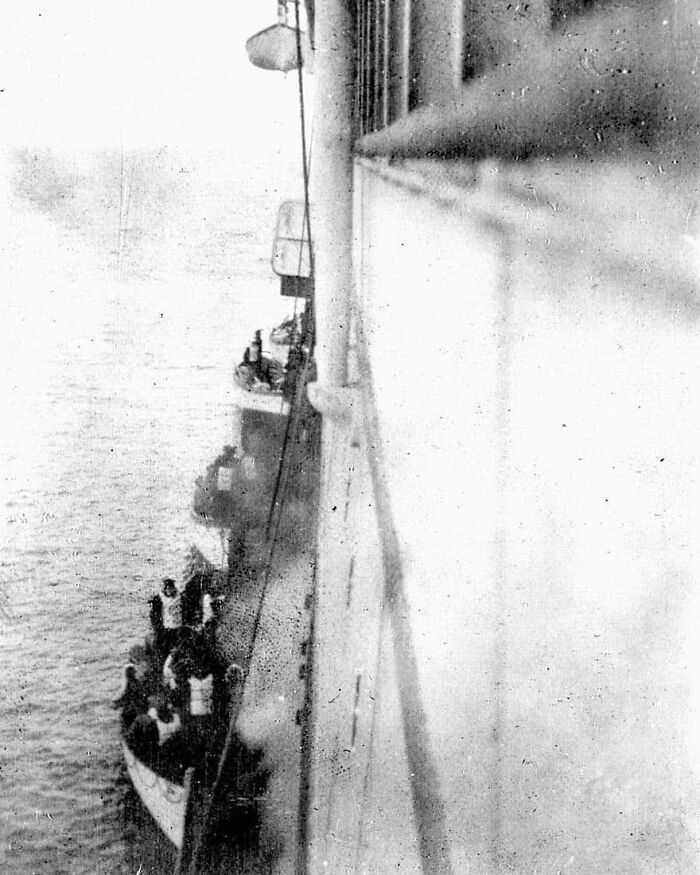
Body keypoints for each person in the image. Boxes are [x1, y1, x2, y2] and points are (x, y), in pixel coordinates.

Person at [149, 577, 183, 660]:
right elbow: (154, 615)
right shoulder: (160, 598)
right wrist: (157, 629)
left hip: (179, 627)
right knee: (166, 650)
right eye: (168, 589)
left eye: (171, 588)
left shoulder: (180, 596)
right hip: (167, 629)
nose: (170, 591)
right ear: (165, 589)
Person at [112, 663, 148, 730]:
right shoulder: (138, 684)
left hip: (130, 712)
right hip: (139, 711)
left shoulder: (127, 687)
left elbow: (119, 701)